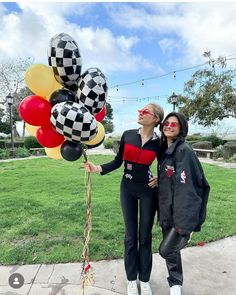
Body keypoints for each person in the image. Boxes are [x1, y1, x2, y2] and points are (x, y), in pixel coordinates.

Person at [84, 103, 164, 295]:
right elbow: (118, 161)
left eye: (145, 111)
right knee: (130, 236)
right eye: (140, 110)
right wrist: (97, 168)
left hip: (147, 190)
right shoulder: (128, 135)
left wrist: (160, 177)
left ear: (155, 119)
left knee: (145, 237)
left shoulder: (159, 142)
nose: (140, 112)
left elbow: (165, 165)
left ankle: (144, 280)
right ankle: (131, 279)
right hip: (127, 188)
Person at [157, 112, 210, 295]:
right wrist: (162, 177)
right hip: (165, 208)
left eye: (174, 124)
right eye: (166, 123)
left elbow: (191, 185)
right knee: (171, 252)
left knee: (166, 250)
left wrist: (185, 222)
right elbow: (172, 174)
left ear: (181, 129)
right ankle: (175, 284)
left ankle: (185, 236)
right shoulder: (164, 150)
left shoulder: (184, 150)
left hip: (179, 212)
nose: (169, 126)